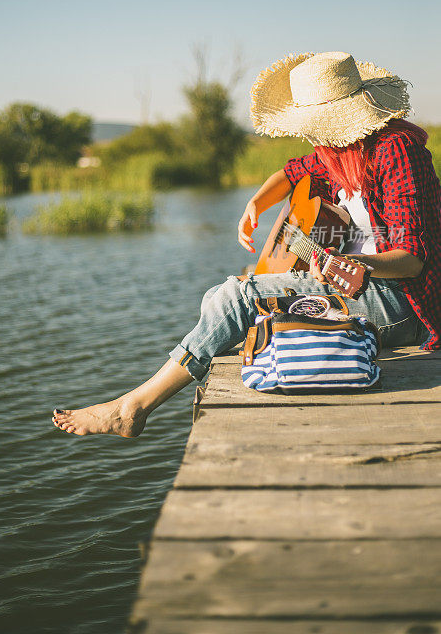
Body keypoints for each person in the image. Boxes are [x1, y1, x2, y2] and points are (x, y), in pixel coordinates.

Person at [52, 51, 441, 438]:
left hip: (400, 304)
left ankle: (131, 407)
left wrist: (352, 260)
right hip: (357, 288)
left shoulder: (397, 151)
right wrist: (256, 204)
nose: (311, 135)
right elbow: (291, 173)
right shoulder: (339, 151)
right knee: (214, 300)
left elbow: (412, 259)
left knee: (235, 298)